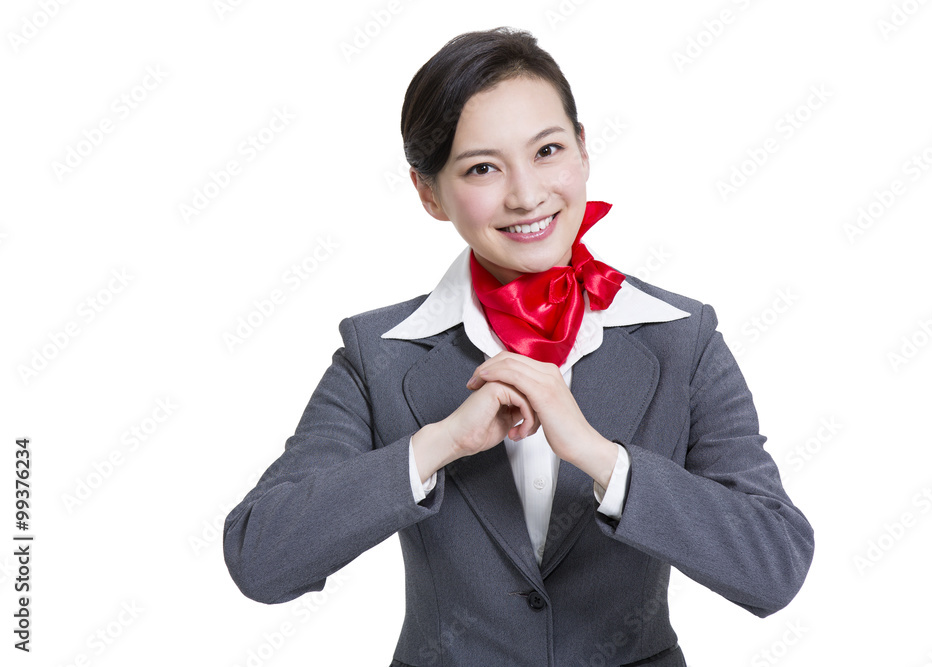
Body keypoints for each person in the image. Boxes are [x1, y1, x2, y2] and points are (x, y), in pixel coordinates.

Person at [224, 27, 814, 667]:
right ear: (428, 193)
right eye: (482, 167)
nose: (527, 194)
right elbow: (262, 560)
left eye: (548, 151)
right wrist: (441, 443)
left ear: (584, 151)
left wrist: (601, 457)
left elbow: (774, 566)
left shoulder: (682, 338)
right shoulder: (378, 355)